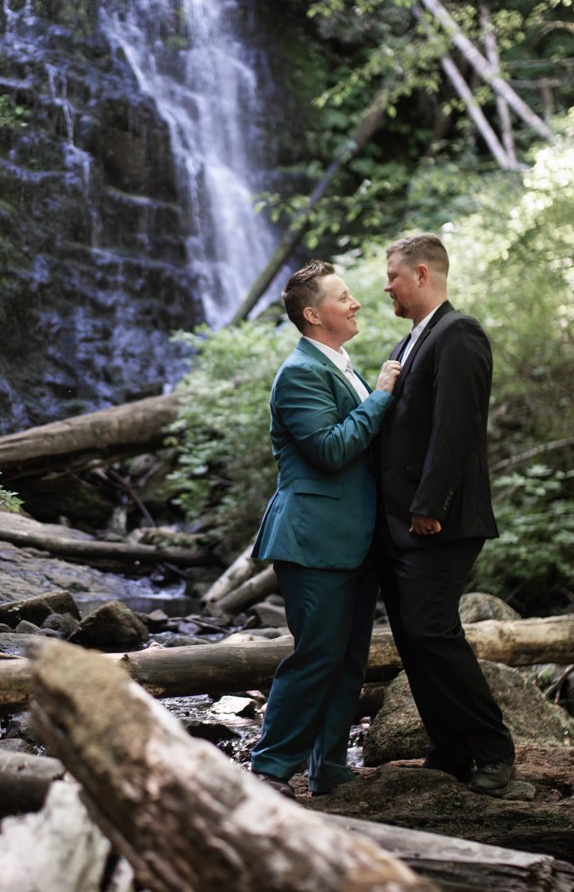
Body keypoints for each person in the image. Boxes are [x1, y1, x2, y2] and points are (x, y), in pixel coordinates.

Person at [248, 260, 401, 798]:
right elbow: (331, 450)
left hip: (353, 538)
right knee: (316, 656)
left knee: (347, 657)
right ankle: (268, 770)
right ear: (314, 315)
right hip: (312, 538)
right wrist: (381, 396)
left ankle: (329, 766)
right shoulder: (300, 373)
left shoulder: (340, 364)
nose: (356, 302)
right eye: (344, 296)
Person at [376, 233, 515, 796]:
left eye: (393, 276)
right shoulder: (410, 340)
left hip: (438, 518)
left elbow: (456, 427)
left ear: (423, 275)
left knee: (431, 628)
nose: (386, 286)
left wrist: (431, 505)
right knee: (413, 635)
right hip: (400, 521)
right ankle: (451, 747)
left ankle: (493, 750)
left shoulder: (459, 333)